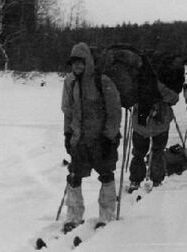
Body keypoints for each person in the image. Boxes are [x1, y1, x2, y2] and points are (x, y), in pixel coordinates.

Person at [61, 43, 122, 232]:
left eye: (80, 63)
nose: (77, 66)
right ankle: (73, 216)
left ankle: (107, 215)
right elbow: (68, 112)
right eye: (73, 63)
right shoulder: (71, 82)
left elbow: (114, 112)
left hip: (101, 140)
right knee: (74, 176)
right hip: (80, 139)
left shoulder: (102, 81)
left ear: (87, 61)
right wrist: (68, 133)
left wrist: (108, 137)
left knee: (106, 175)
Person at [126, 67, 180, 192]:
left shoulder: (136, 86)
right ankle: (156, 180)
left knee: (139, 153)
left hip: (142, 126)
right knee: (157, 152)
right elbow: (174, 99)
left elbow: (128, 100)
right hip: (158, 126)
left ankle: (136, 180)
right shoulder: (159, 86)